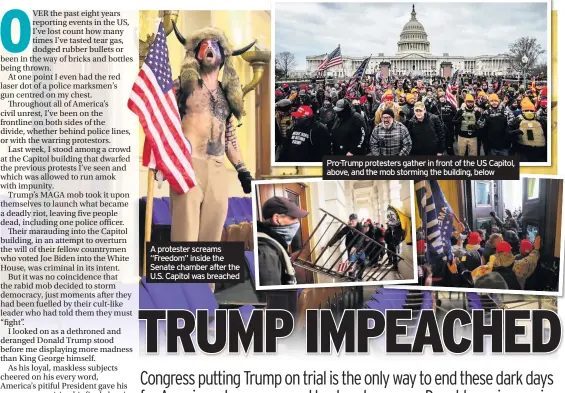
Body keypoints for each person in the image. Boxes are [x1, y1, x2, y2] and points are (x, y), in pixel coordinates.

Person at [170, 25, 255, 292]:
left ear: (223, 55)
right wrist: (163, 160)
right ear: (195, 54)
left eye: (214, 45)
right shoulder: (182, 87)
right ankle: (182, 304)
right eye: (203, 45)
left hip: (218, 171)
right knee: (185, 241)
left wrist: (242, 170)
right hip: (188, 166)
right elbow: (163, 122)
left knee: (211, 243)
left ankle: (204, 301)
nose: (208, 49)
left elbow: (229, 138)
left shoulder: (228, 95)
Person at [256, 197, 308, 286]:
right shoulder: (267, 252)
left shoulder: (274, 245)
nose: (297, 222)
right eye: (293, 218)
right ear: (277, 219)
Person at [324, 214, 366, 279]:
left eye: (353, 221)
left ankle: (359, 277)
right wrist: (328, 245)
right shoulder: (347, 228)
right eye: (350, 220)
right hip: (351, 251)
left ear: (357, 221)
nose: (351, 222)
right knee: (351, 267)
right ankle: (351, 282)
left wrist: (355, 246)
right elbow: (338, 236)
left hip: (360, 250)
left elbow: (361, 238)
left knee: (363, 265)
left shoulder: (361, 228)